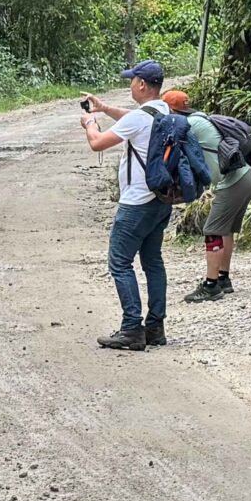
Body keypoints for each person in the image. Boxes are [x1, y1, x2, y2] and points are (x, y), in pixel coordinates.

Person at [80, 60, 174, 351]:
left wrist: (90, 123)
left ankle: (132, 328)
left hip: (136, 203)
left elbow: (97, 143)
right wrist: (105, 109)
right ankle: (155, 327)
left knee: (120, 262)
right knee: (152, 262)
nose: (130, 84)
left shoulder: (139, 118)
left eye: (132, 80)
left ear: (142, 84)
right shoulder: (164, 110)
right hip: (160, 199)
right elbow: (133, 118)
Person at [162, 89, 251, 303]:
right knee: (226, 229)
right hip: (246, 176)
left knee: (212, 230)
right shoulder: (200, 118)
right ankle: (223, 278)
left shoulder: (189, 124)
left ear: (172, 110)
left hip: (233, 182)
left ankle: (211, 285)